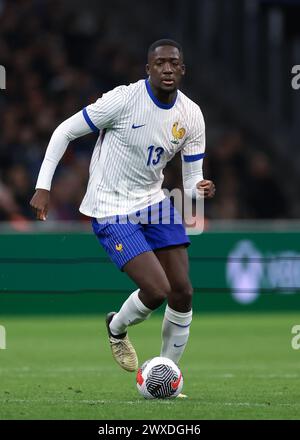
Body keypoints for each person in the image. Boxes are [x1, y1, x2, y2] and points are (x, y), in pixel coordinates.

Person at [30, 39, 215, 397]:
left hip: (154, 201)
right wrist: (43, 186)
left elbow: (192, 182)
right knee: (157, 290)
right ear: (148, 69)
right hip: (110, 206)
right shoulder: (122, 100)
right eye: (158, 63)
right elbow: (64, 131)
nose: (166, 68)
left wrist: (200, 189)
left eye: (172, 63)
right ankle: (117, 327)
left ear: (182, 70)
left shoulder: (192, 115)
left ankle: (168, 376)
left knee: (182, 292)